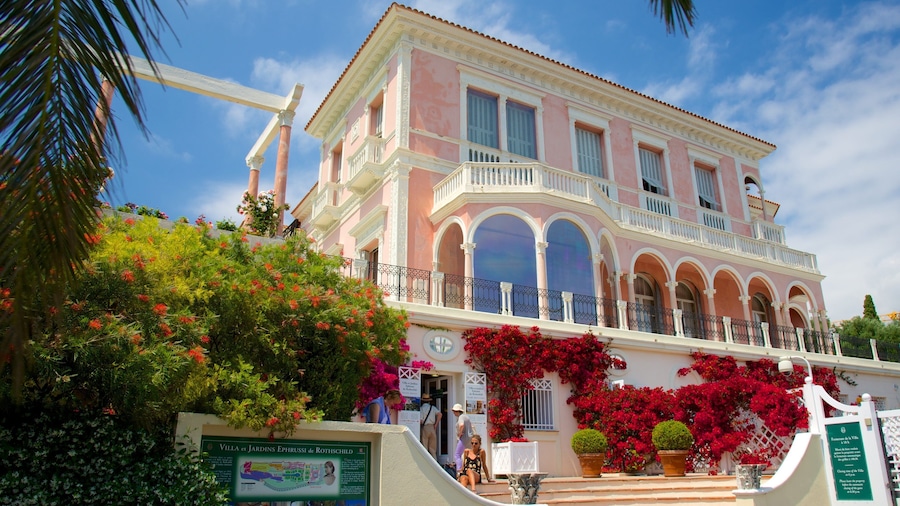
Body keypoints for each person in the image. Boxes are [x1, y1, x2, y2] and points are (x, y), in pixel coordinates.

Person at [419, 393, 442, 459]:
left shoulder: (421, 409)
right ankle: (435, 462)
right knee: (433, 449)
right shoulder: (433, 408)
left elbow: (421, 421)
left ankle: (426, 463)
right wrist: (436, 424)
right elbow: (440, 414)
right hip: (432, 427)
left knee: (425, 447)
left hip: (425, 427)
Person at [452, 403, 472, 474]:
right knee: (469, 454)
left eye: (454, 411)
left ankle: (459, 470)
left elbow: (461, 425)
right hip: (470, 438)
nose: (453, 413)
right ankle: (469, 469)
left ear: (457, 411)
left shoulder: (461, 417)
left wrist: (460, 433)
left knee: (457, 454)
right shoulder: (466, 417)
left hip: (464, 438)